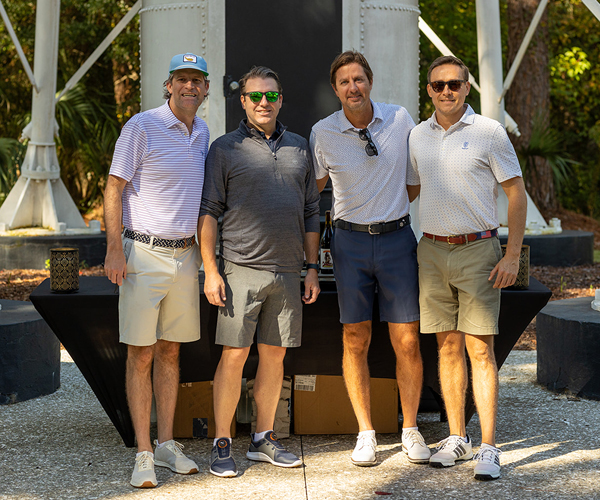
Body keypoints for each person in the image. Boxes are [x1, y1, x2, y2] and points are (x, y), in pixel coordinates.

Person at [198, 66, 321, 477]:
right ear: (243, 101)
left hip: (287, 273)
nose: (263, 103)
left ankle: (262, 439)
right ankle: (221, 442)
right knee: (233, 357)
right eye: (255, 96)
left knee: (274, 358)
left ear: (281, 99)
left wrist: (311, 268)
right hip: (239, 269)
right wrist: (211, 269)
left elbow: (310, 212)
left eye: (271, 96)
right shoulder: (224, 149)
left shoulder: (301, 147)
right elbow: (209, 211)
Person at [409, 55, 527, 480]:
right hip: (432, 251)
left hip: (478, 251)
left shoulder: (489, 132)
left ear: (467, 87)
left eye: (454, 84)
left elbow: (515, 193)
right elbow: (408, 188)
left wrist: (511, 255)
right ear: (429, 90)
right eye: (438, 85)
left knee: (480, 348)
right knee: (446, 347)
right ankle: (457, 437)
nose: (446, 91)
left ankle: (490, 447)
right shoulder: (417, 136)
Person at [310, 51, 430, 467]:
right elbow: (314, 191)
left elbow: (413, 185)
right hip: (350, 245)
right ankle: (366, 433)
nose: (353, 87)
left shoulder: (400, 121)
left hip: (397, 240)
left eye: (358, 79)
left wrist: (387, 208)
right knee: (354, 338)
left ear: (370, 82)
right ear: (335, 89)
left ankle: (411, 429)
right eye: (344, 82)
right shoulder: (322, 133)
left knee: (407, 339)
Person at [104, 53, 210, 488]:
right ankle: (144, 452)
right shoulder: (140, 126)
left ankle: (166, 444)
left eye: (197, 80)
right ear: (168, 85)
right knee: (140, 352)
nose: (189, 87)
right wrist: (114, 248)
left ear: (205, 89)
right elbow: (114, 187)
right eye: (182, 79)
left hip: (185, 256)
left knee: (169, 351)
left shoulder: (203, 132)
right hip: (142, 254)